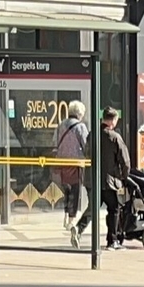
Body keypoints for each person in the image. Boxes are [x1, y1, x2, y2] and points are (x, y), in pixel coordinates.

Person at [98, 106, 136, 248]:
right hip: (110, 180)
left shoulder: (93, 134)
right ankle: (112, 240)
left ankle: (78, 229)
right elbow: (125, 160)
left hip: (95, 180)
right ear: (113, 120)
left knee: (92, 209)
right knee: (114, 209)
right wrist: (125, 177)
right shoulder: (114, 137)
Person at [56, 100, 90, 241]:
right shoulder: (81, 127)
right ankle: (71, 219)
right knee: (75, 190)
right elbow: (86, 144)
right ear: (79, 114)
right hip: (76, 163)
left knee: (67, 190)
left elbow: (55, 141)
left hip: (62, 161)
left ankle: (65, 215)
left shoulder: (61, 125)